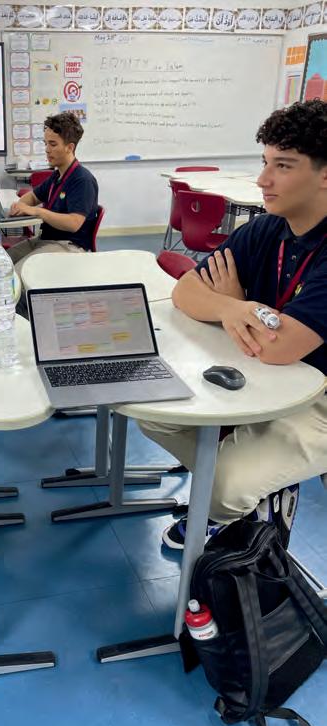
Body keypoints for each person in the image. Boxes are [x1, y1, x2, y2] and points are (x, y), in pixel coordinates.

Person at [142, 99, 327, 550]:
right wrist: (231, 308)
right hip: (260, 372)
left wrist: (237, 302)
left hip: (318, 394)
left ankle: (227, 504)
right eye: (265, 162)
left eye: (283, 166)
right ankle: (259, 487)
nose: (263, 180)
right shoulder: (266, 229)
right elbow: (186, 291)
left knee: (224, 485)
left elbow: (280, 347)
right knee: (154, 417)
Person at [7, 112, 99, 272]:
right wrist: (20, 205)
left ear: (70, 147)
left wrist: (37, 211)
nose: (47, 150)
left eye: (53, 144)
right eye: (45, 144)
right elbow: (33, 196)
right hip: (46, 240)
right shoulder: (57, 175)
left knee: (19, 273)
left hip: (68, 246)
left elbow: (73, 223)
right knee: (2, 262)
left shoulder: (82, 180)